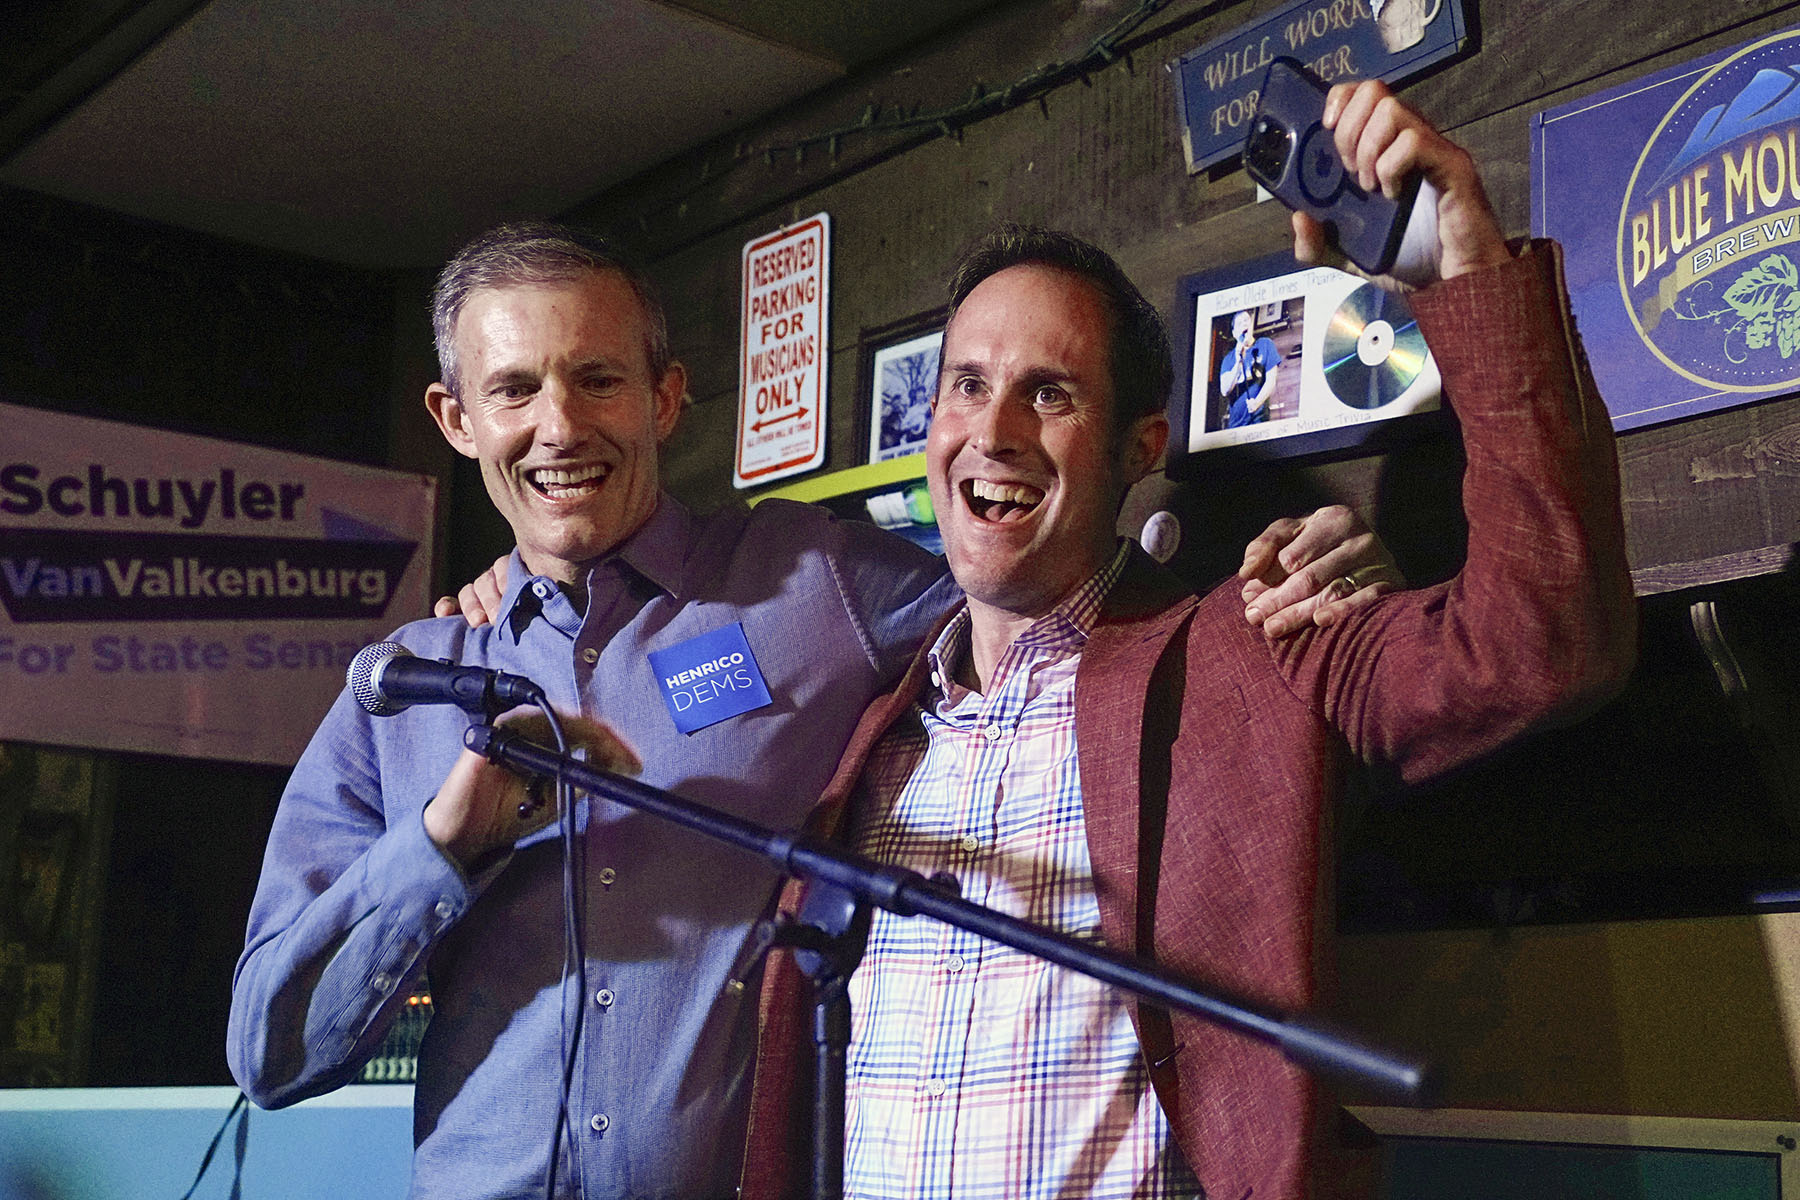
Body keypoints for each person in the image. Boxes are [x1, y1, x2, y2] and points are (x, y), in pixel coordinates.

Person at [228, 222, 1398, 1197]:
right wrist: (445, 842)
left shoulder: (808, 585)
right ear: (455, 420)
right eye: (514, 390)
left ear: (667, 397)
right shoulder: (405, 687)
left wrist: (1286, 582)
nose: (560, 425)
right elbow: (271, 1053)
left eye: (598, 379)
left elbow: (1038, 564)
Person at [739, 80, 1636, 1200]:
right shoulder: (879, 736)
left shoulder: (1253, 646)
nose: (994, 433)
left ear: (1137, 445)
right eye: (967, 386)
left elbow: (1547, 638)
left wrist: (1465, 270)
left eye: (1049, 393)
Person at [1219, 307, 1280, 426]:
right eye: (1239, 323)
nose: (1244, 324)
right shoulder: (1229, 359)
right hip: (1236, 424)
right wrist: (1238, 361)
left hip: (1260, 420)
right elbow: (1225, 390)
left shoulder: (1265, 345)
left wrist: (1257, 403)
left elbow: (1271, 380)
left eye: (1247, 320)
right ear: (1234, 333)